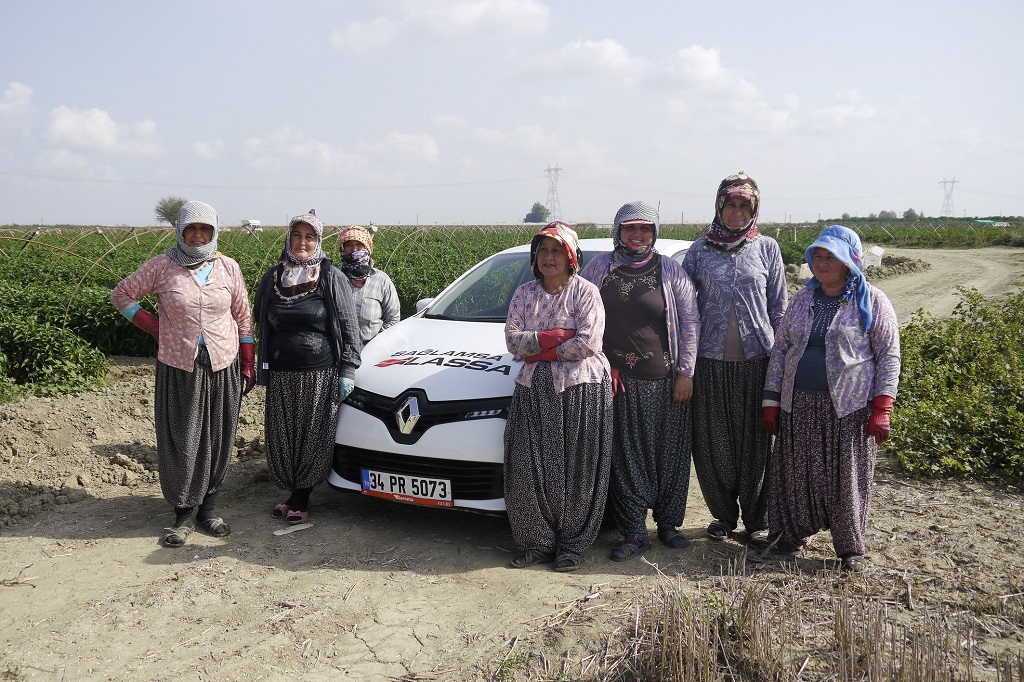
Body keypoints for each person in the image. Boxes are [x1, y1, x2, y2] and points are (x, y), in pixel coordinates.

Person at [111, 200, 255, 548]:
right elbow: (122, 294)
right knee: (183, 436)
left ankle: (210, 509)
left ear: (214, 232)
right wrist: (154, 327)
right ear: (180, 231)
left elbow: (243, 317)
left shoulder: (228, 268)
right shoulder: (163, 266)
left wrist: (248, 362)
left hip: (223, 363)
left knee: (219, 435)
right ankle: (182, 514)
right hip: (180, 365)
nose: (198, 235)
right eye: (192, 228)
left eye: (205, 229)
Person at [761, 225, 900, 572]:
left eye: (831, 257)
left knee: (846, 478)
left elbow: (888, 355)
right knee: (794, 474)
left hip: (848, 408)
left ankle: (850, 548)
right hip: (800, 404)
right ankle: (788, 536)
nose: (822, 264)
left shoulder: (872, 300)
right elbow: (781, 351)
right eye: (817, 256)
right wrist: (772, 400)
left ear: (850, 261)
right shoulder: (803, 299)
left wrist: (882, 406)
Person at [579, 201, 700, 561]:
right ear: (618, 230)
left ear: (654, 233)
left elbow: (691, 323)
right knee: (626, 457)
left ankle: (668, 524)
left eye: (644, 229)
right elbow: (582, 316)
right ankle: (633, 533)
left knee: (671, 455)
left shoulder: (671, 270)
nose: (637, 235)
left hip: (666, 381)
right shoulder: (599, 268)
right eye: (630, 228)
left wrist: (686, 373)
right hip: (619, 382)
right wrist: (600, 363)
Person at [682, 172, 787, 550]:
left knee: (756, 442)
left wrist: (781, 363)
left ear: (755, 210)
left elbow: (779, 308)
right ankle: (723, 516)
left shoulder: (767, 249)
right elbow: (686, 311)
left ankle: (759, 519)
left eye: (746, 205)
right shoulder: (698, 252)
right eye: (732, 204)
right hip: (709, 363)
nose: (738, 211)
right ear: (719, 206)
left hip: (758, 360)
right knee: (713, 441)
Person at [503, 222, 613, 572]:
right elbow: (511, 341)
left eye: (556, 250)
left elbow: (588, 343)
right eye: (543, 250)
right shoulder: (524, 294)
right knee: (527, 465)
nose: (548, 257)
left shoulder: (586, 292)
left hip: (580, 390)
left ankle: (572, 544)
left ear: (570, 256)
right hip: (533, 390)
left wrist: (537, 347)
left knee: (578, 468)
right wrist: (556, 335)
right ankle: (537, 542)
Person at [254, 209, 362, 525]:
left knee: (312, 434)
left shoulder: (330, 276)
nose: (303, 242)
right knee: (283, 435)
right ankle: (292, 492)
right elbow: (262, 324)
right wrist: (261, 366)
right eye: (297, 235)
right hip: (282, 372)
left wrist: (348, 369)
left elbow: (348, 325)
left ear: (318, 242)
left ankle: (302, 497)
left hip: (320, 372)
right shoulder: (273, 277)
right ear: (289, 239)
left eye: (310, 236)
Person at [336, 224, 401, 344]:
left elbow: (393, 318)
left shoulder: (381, 280)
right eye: (349, 245)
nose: (354, 249)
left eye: (359, 245)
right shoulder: (334, 278)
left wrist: (375, 345)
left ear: (368, 248)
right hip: (339, 352)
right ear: (342, 249)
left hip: (371, 350)